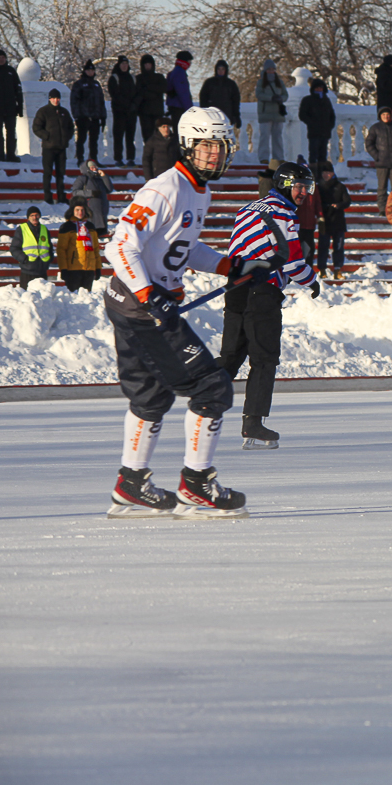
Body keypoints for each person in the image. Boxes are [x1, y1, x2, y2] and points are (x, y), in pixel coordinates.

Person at [103, 106, 261, 517]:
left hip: (135, 303)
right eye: (208, 146)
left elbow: (182, 248)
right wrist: (148, 294)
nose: (215, 155)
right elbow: (119, 244)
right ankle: (197, 486)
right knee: (212, 389)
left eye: (221, 147)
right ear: (189, 146)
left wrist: (230, 265)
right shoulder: (165, 189)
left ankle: (131, 484)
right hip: (142, 308)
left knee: (150, 397)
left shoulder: (199, 190)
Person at [219, 161, 320, 450]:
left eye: (307, 187)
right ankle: (253, 423)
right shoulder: (284, 214)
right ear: (285, 184)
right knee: (264, 358)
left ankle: (201, 405)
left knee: (230, 357)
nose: (303, 193)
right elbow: (292, 261)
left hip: (236, 285)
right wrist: (311, 280)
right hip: (262, 291)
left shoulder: (251, 207)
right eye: (299, 186)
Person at [32, 89, 74, 205]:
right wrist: (46, 136)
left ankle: (61, 196)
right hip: (48, 148)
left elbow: (70, 127)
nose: (56, 100)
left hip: (61, 148)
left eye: (57, 98)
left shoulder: (64, 112)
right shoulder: (43, 111)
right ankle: (48, 197)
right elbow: (36, 127)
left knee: (60, 174)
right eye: (53, 98)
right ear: (49, 99)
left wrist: (66, 138)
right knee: (48, 173)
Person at [364, 106, 392, 211]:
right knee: (382, 188)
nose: (386, 117)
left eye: (388, 115)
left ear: (391, 115)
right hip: (381, 163)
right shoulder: (375, 128)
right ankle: (382, 209)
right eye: (383, 115)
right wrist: (376, 156)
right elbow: (369, 143)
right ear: (380, 116)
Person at [313, 161, 350, 278]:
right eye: (324, 173)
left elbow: (347, 201)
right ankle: (322, 270)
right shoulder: (318, 187)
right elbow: (316, 203)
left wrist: (338, 205)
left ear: (332, 173)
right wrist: (324, 207)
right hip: (325, 221)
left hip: (338, 221)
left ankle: (337, 270)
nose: (326, 175)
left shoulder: (340, 186)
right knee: (323, 246)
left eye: (328, 172)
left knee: (338, 247)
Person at [55, 200, 102, 291]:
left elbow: (95, 248)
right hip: (73, 269)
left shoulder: (90, 226)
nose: (80, 212)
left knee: (86, 297)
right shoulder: (66, 227)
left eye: (82, 210)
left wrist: (98, 267)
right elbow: (61, 249)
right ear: (72, 211)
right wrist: (63, 268)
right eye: (77, 210)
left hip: (89, 269)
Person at [70, 60, 106, 165]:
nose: (90, 72)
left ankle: (93, 160)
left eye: (92, 70)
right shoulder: (79, 84)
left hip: (95, 117)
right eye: (88, 70)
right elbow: (74, 101)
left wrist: (103, 116)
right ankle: (80, 159)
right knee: (81, 139)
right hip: (83, 117)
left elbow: (101, 101)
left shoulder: (96, 85)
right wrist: (77, 116)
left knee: (94, 141)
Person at [255, 60, 289, 164]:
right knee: (264, 136)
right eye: (269, 69)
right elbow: (259, 95)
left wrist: (280, 98)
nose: (271, 71)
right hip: (265, 113)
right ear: (265, 70)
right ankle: (263, 158)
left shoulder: (279, 82)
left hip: (278, 113)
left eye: (273, 69)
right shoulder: (261, 82)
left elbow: (285, 95)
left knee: (277, 137)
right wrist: (271, 98)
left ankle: (278, 158)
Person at [198, 60, 242, 139]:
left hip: (227, 115)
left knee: (226, 137)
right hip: (212, 115)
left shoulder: (231, 84)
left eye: (223, 69)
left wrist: (236, 116)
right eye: (219, 69)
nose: (221, 71)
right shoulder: (209, 83)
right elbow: (203, 98)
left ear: (226, 70)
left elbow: (235, 101)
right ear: (216, 70)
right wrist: (204, 112)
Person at [10, 206, 53, 288]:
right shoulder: (22, 229)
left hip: (42, 270)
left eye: (36, 215)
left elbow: (49, 247)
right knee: (28, 298)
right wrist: (24, 259)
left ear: (39, 216)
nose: (34, 217)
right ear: (28, 217)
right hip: (27, 271)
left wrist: (49, 259)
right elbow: (14, 248)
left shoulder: (44, 229)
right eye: (32, 215)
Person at [297, 77, 336, 166]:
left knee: (323, 155)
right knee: (313, 154)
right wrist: (311, 123)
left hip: (325, 132)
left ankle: (321, 173)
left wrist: (330, 126)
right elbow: (302, 115)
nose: (319, 89)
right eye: (317, 88)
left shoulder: (326, 100)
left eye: (321, 88)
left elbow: (332, 115)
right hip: (314, 132)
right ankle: (313, 173)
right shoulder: (308, 100)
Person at [69, 160, 113, 235]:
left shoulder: (100, 178)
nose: (95, 169)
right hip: (90, 208)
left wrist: (104, 177)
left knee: (101, 229)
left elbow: (109, 189)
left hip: (102, 209)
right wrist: (91, 193)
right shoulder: (83, 178)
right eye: (92, 167)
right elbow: (75, 192)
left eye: (95, 167)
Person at [108, 55, 138, 165]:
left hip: (131, 112)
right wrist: (125, 104)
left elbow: (137, 93)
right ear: (119, 65)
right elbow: (114, 94)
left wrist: (134, 105)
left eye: (126, 64)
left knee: (130, 137)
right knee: (118, 136)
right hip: (119, 111)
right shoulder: (114, 78)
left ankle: (131, 158)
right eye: (122, 64)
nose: (124, 66)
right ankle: (118, 158)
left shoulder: (133, 78)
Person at [165, 50, 194, 127]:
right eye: (189, 61)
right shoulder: (179, 72)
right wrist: (189, 109)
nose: (190, 64)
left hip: (175, 106)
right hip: (179, 107)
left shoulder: (175, 71)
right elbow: (182, 92)